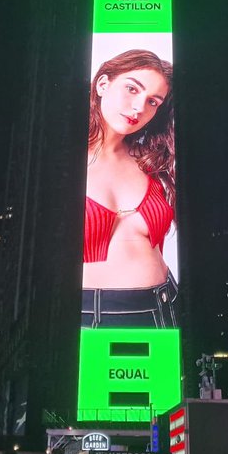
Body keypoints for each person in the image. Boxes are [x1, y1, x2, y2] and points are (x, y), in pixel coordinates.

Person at [81, 49, 177, 328]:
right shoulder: (58, 158)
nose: (139, 108)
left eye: (153, 101)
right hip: (89, 313)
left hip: (166, 304)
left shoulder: (150, 162)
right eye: (132, 88)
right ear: (102, 84)